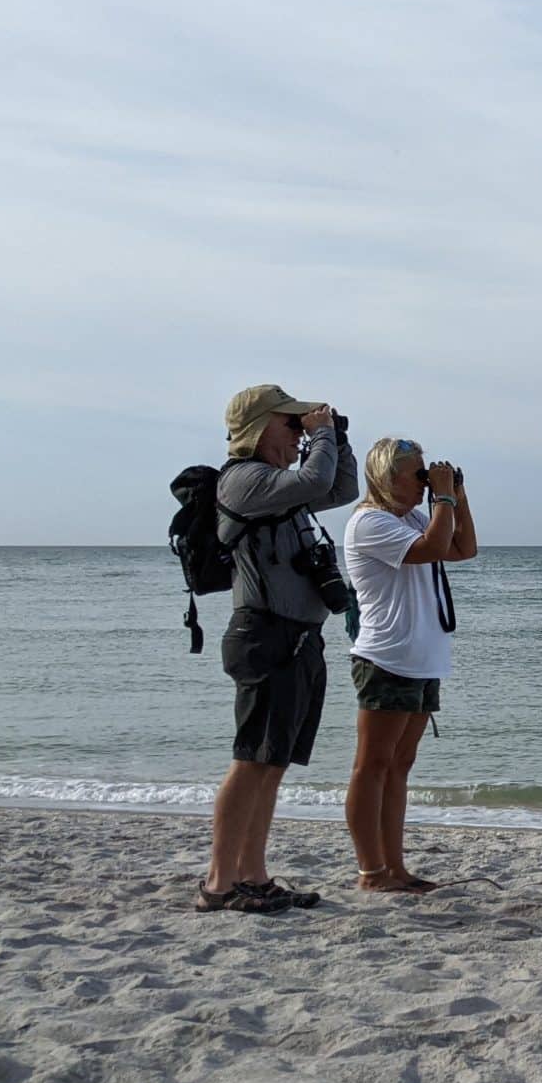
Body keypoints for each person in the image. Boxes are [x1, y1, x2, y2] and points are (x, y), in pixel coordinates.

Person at [200, 384, 358, 913]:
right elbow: (316, 476)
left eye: (301, 425)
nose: (298, 434)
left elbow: (338, 489)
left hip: (297, 638)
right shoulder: (244, 480)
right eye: (290, 425)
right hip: (264, 635)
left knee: (272, 764)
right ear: (260, 427)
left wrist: (335, 437)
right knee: (250, 760)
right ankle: (219, 884)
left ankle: (254, 875)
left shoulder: (279, 486)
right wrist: (320, 439)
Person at [343, 437, 476, 893]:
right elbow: (434, 548)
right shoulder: (369, 522)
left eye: (427, 474)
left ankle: (394, 868)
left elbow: (463, 548)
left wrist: (456, 496)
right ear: (387, 476)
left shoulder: (415, 518)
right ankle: (371, 871)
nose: (423, 482)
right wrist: (441, 497)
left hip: (421, 659)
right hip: (387, 656)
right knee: (372, 766)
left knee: (400, 765)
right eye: (417, 474)